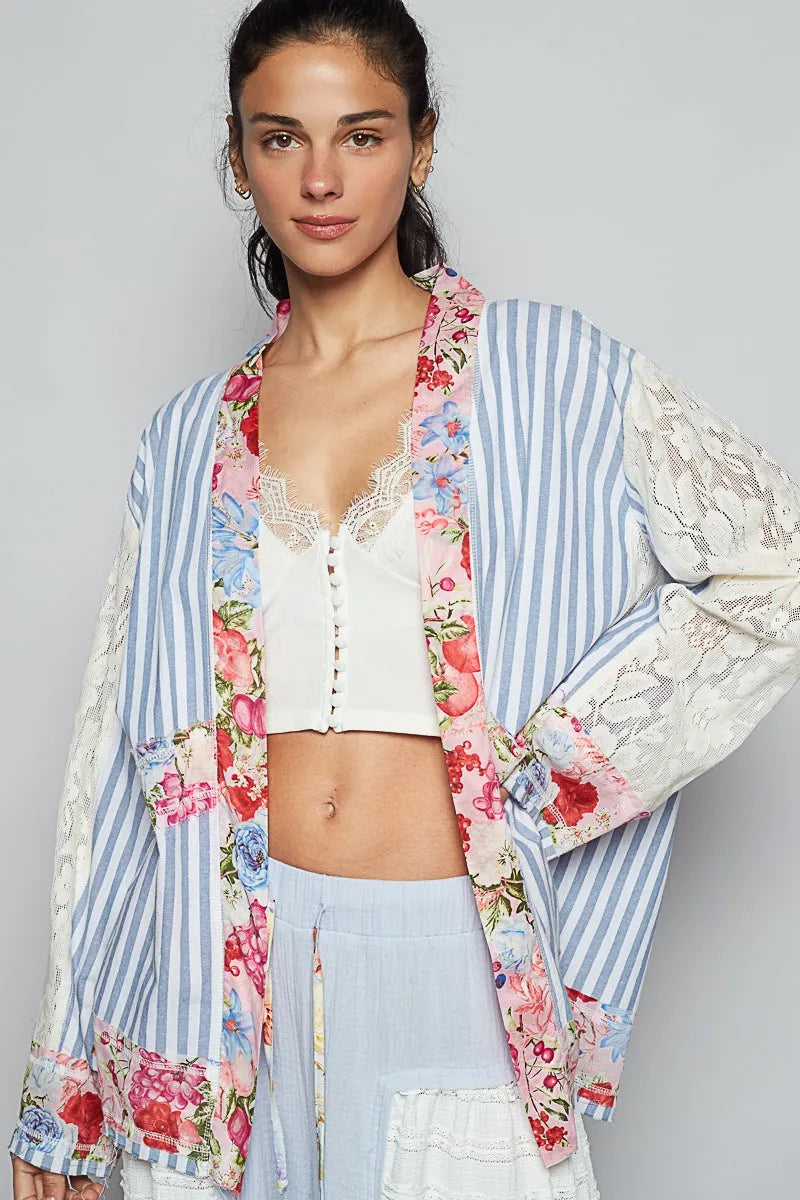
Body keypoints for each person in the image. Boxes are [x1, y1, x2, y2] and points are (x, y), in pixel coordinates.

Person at [8, 2, 800, 1199]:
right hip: (212, 991)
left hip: (453, 965)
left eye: (362, 136)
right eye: (281, 138)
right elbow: (113, 775)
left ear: (419, 146)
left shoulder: (547, 370)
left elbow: (771, 562)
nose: (320, 178)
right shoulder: (184, 438)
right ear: (238, 158)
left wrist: (553, 770)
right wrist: (63, 1095)